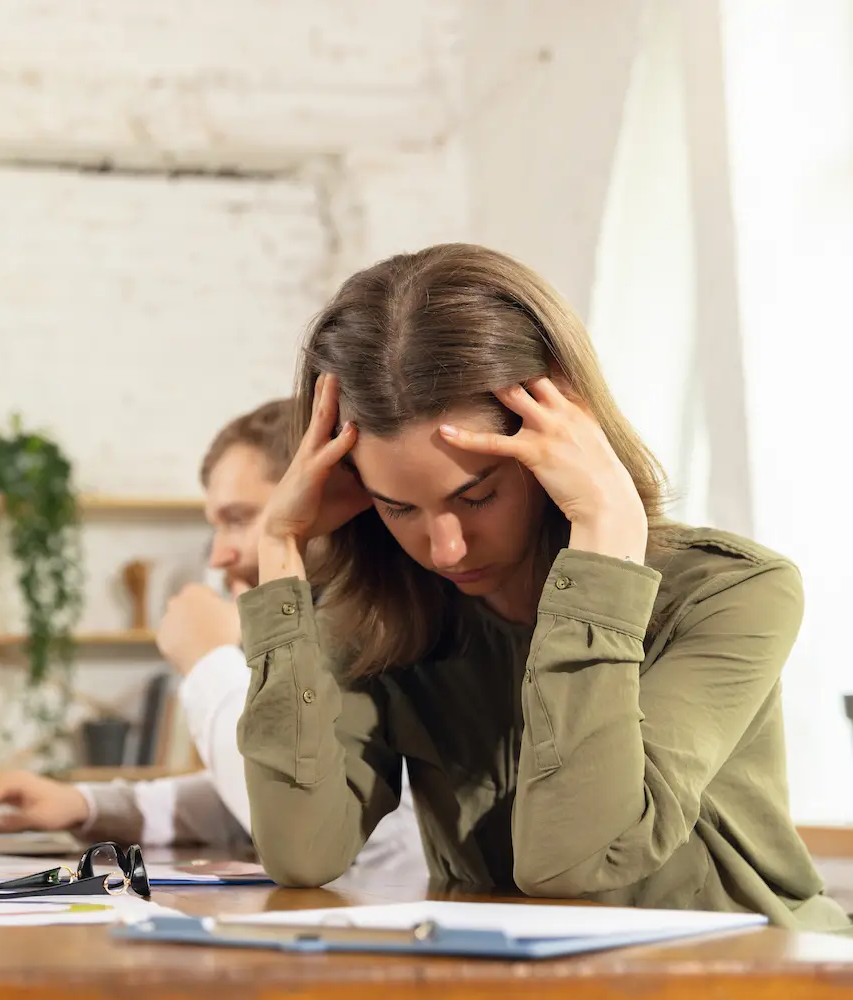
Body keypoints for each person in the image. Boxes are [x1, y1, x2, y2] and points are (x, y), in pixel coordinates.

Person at [238, 242, 848, 930]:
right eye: (398, 508)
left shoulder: (735, 594)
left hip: (755, 978)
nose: (445, 549)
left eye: (477, 496)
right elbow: (300, 850)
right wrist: (278, 548)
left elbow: (572, 861)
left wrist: (604, 537)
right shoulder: (382, 618)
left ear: (560, 437)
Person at [0, 401, 425, 879]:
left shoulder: (388, 632)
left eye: (240, 519)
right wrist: (89, 805)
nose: (221, 555)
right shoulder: (326, 621)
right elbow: (279, 785)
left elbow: (321, 832)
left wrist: (208, 661)